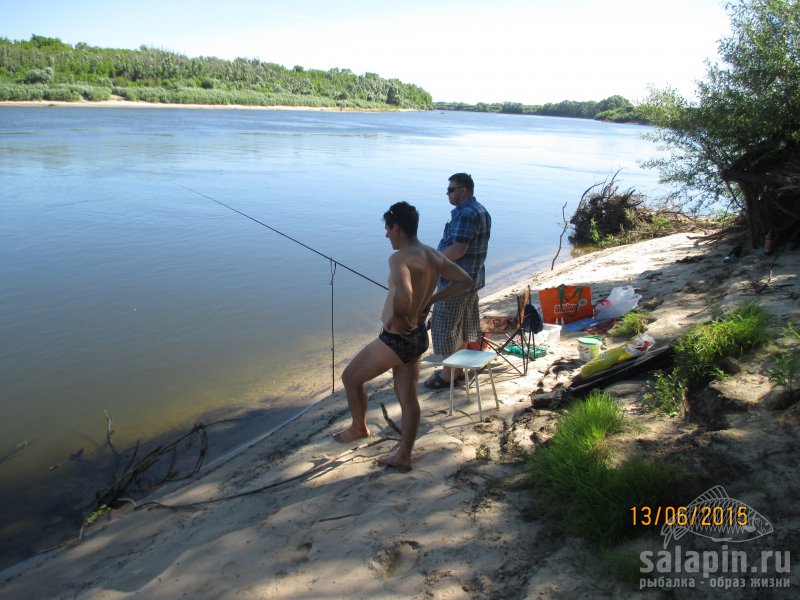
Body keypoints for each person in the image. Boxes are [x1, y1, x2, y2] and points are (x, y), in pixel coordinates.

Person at [332, 201, 472, 471]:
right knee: (407, 396)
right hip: (418, 336)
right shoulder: (431, 254)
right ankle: (404, 456)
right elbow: (465, 280)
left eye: (387, 229)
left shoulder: (399, 258)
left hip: (396, 340)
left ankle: (359, 427)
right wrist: (431, 300)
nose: (386, 235)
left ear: (397, 228)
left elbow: (405, 293)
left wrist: (398, 315)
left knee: (350, 378)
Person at [424, 173, 491, 389]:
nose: (447, 193)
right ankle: (458, 369)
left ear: (463, 190)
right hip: (472, 279)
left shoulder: (466, 213)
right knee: (462, 327)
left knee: (444, 327)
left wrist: (433, 260)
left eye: (451, 189)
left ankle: (448, 375)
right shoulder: (480, 209)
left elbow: (459, 249)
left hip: (456, 282)